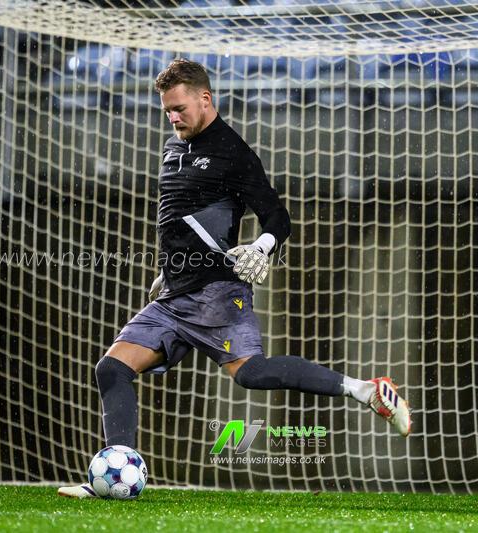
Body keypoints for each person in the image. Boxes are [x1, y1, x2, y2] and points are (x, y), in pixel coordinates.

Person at [58, 59, 410, 498]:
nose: (173, 117)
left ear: (205, 99)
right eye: (167, 110)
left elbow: (278, 217)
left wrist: (260, 247)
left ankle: (366, 391)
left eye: (180, 108)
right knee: (111, 368)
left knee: (251, 374)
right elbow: (177, 221)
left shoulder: (233, 152)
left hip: (217, 294)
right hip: (173, 294)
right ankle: (116, 475)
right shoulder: (173, 147)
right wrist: (164, 269)